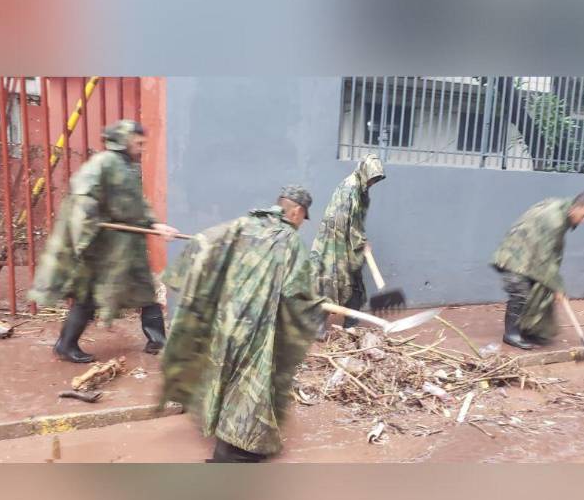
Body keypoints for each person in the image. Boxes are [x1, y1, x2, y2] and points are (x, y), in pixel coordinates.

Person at [159, 186, 326, 463]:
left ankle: (222, 440)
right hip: (255, 327)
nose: (300, 224)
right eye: (302, 218)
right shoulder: (289, 241)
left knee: (223, 378)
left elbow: (204, 241)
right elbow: (294, 291)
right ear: (296, 212)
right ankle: (230, 453)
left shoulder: (244, 224)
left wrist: (178, 277)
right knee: (247, 388)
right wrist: (314, 304)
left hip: (224, 321)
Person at [29, 120, 179, 363]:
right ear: (124, 140)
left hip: (128, 244)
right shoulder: (103, 163)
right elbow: (82, 196)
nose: (141, 148)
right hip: (105, 246)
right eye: (138, 143)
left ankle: (157, 341)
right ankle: (65, 345)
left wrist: (155, 225)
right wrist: (88, 223)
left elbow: (136, 205)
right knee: (88, 296)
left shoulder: (127, 166)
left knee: (145, 289)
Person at [491, 192, 584, 350]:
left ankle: (528, 329)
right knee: (519, 291)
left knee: (538, 290)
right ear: (576, 208)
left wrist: (555, 285)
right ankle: (511, 334)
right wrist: (558, 287)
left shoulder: (563, 210)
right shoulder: (555, 220)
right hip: (516, 253)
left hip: (529, 251)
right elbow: (545, 259)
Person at [310, 154, 385, 330]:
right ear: (364, 172)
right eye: (372, 178)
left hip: (348, 244)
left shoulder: (360, 188)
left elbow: (356, 221)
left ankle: (350, 324)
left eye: (376, 179)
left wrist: (360, 242)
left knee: (354, 283)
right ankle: (317, 327)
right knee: (328, 283)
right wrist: (360, 242)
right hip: (333, 245)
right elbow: (342, 222)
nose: (373, 182)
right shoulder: (349, 189)